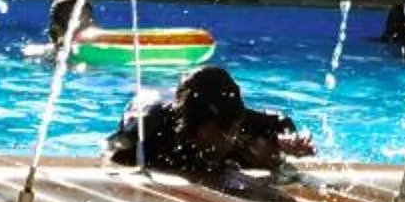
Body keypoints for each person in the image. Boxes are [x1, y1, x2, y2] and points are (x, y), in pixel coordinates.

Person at [110, 61, 315, 186]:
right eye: (219, 133)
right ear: (195, 127)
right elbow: (113, 152)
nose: (228, 139)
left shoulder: (234, 118)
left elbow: (281, 122)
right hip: (145, 104)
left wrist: (286, 142)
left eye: (232, 130)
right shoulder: (151, 129)